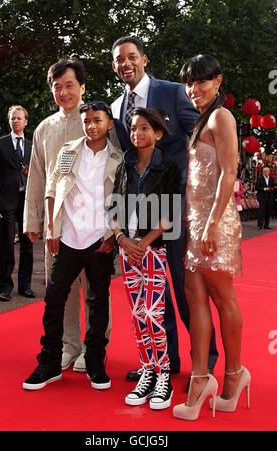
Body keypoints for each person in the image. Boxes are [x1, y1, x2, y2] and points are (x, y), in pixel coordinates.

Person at [111, 35, 218, 382]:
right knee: (152, 291)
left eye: (131, 57)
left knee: (184, 284)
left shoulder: (174, 92)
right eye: (118, 60)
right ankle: (163, 361)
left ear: (144, 58)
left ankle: (207, 361)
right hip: (140, 212)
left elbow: (200, 136)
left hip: (174, 204)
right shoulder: (115, 108)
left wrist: (195, 190)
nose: (125, 63)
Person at [23, 101, 122, 391]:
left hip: (100, 241)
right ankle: (50, 361)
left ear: (109, 124)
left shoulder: (118, 158)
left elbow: (122, 198)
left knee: (97, 301)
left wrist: (114, 234)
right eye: (87, 120)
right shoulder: (69, 151)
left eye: (97, 120)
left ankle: (94, 360)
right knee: (55, 299)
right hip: (66, 238)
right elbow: (53, 188)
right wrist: (52, 227)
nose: (91, 125)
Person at [173, 54, 251, 421]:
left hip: (214, 222)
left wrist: (212, 223)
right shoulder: (202, 118)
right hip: (196, 220)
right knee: (195, 298)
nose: (194, 89)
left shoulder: (222, 116)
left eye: (201, 81)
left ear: (218, 81)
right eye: (189, 83)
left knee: (222, 297)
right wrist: (198, 222)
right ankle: (201, 379)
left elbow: (229, 170)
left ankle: (235, 375)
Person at [23, 59, 91, 373]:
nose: (64, 92)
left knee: (93, 290)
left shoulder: (96, 122)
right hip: (57, 225)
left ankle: (92, 348)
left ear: (82, 87)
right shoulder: (43, 129)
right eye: (57, 87)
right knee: (58, 290)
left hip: (91, 223)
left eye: (69, 85)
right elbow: (37, 177)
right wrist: (32, 221)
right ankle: (69, 345)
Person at [110, 107, 180, 409]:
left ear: (158, 133)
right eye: (134, 129)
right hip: (128, 250)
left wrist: (145, 243)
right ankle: (147, 371)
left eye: (144, 129)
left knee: (153, 313)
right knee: (139, 315)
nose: (138, 134)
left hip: (153, 250)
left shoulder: (169, 167)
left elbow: (172, 213)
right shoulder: (124, 166)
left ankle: (163, 372)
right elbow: (113, 210)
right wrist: (124, 240)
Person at [0, 105, 34, 302]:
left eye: (19, 118)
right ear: (9, 121)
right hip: (5, 202)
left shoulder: (32, 145)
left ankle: (25, 286)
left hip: (27, 202)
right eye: (13, 118)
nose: (16, 121)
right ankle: (4, 287)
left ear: (25, 121)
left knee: (27, 246)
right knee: (6, 246)